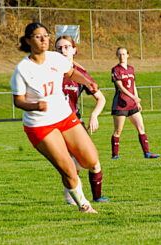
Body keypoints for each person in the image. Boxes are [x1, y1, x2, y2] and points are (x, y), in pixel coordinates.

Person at [10, 22, 101, 213]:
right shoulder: (22, 69)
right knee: (68, 169)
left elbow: (71, 72)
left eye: (46, 35)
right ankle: (83, 205)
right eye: (37, 36)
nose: (43, 39)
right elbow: (18, 101)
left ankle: (71, 177)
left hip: (64, 116)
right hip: (40, 124)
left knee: (91, 160)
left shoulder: (55, 58)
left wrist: (88, 82)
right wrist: (35, 105)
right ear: (28, 41)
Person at [55, 35, 109, 204]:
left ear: (74, 50)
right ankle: (72, 196)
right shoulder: (50, 70)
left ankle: (98, 197)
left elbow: (101, 98)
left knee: (94, 163)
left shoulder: (81, 74)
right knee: (69, 164)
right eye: (59, 48)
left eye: (66, 47)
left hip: (75, 123)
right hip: (54, 125)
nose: (62, 50)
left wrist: (94, 115)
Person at [110, 47, 160, 159]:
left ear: (128, 55)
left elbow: (133, 86)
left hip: (132, 104)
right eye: (120, 54)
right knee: (118, 130)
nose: (122, 56)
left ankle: (147, 153)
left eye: (124, 54)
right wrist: (133, 97)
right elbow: (120, 87)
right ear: (117, 56)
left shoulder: (131, 69)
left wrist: (137, 100)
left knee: (141, 127)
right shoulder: (116, 69)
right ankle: (115, 155)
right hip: (120, 104)